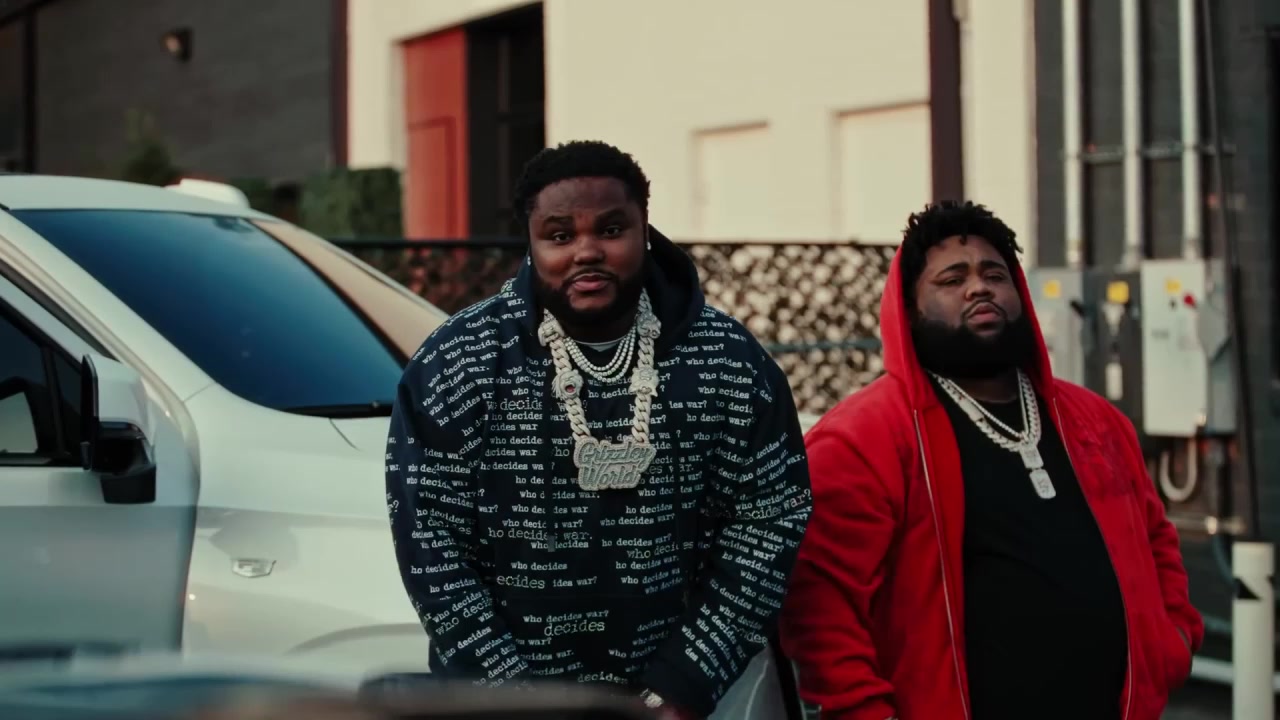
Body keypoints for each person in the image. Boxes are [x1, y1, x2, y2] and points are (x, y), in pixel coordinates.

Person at [385, 140, 812, 720]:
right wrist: (509, 698)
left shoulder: (729, 362)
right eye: (560, 235)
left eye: (611, 229)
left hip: (689, 701)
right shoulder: (458, 362)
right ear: (531, 241)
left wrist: (682, 684)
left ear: (644, 229)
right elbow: (431, 540)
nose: (587, 251)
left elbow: (769, 517)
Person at [780, 201, 1203, 720]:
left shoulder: (1096, 421)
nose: (978, 288)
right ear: (909, 310)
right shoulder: (862, 438)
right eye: (952, 279)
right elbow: (820, 603)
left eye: (994, 274)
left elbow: (1156, 537)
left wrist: (1173, 639)